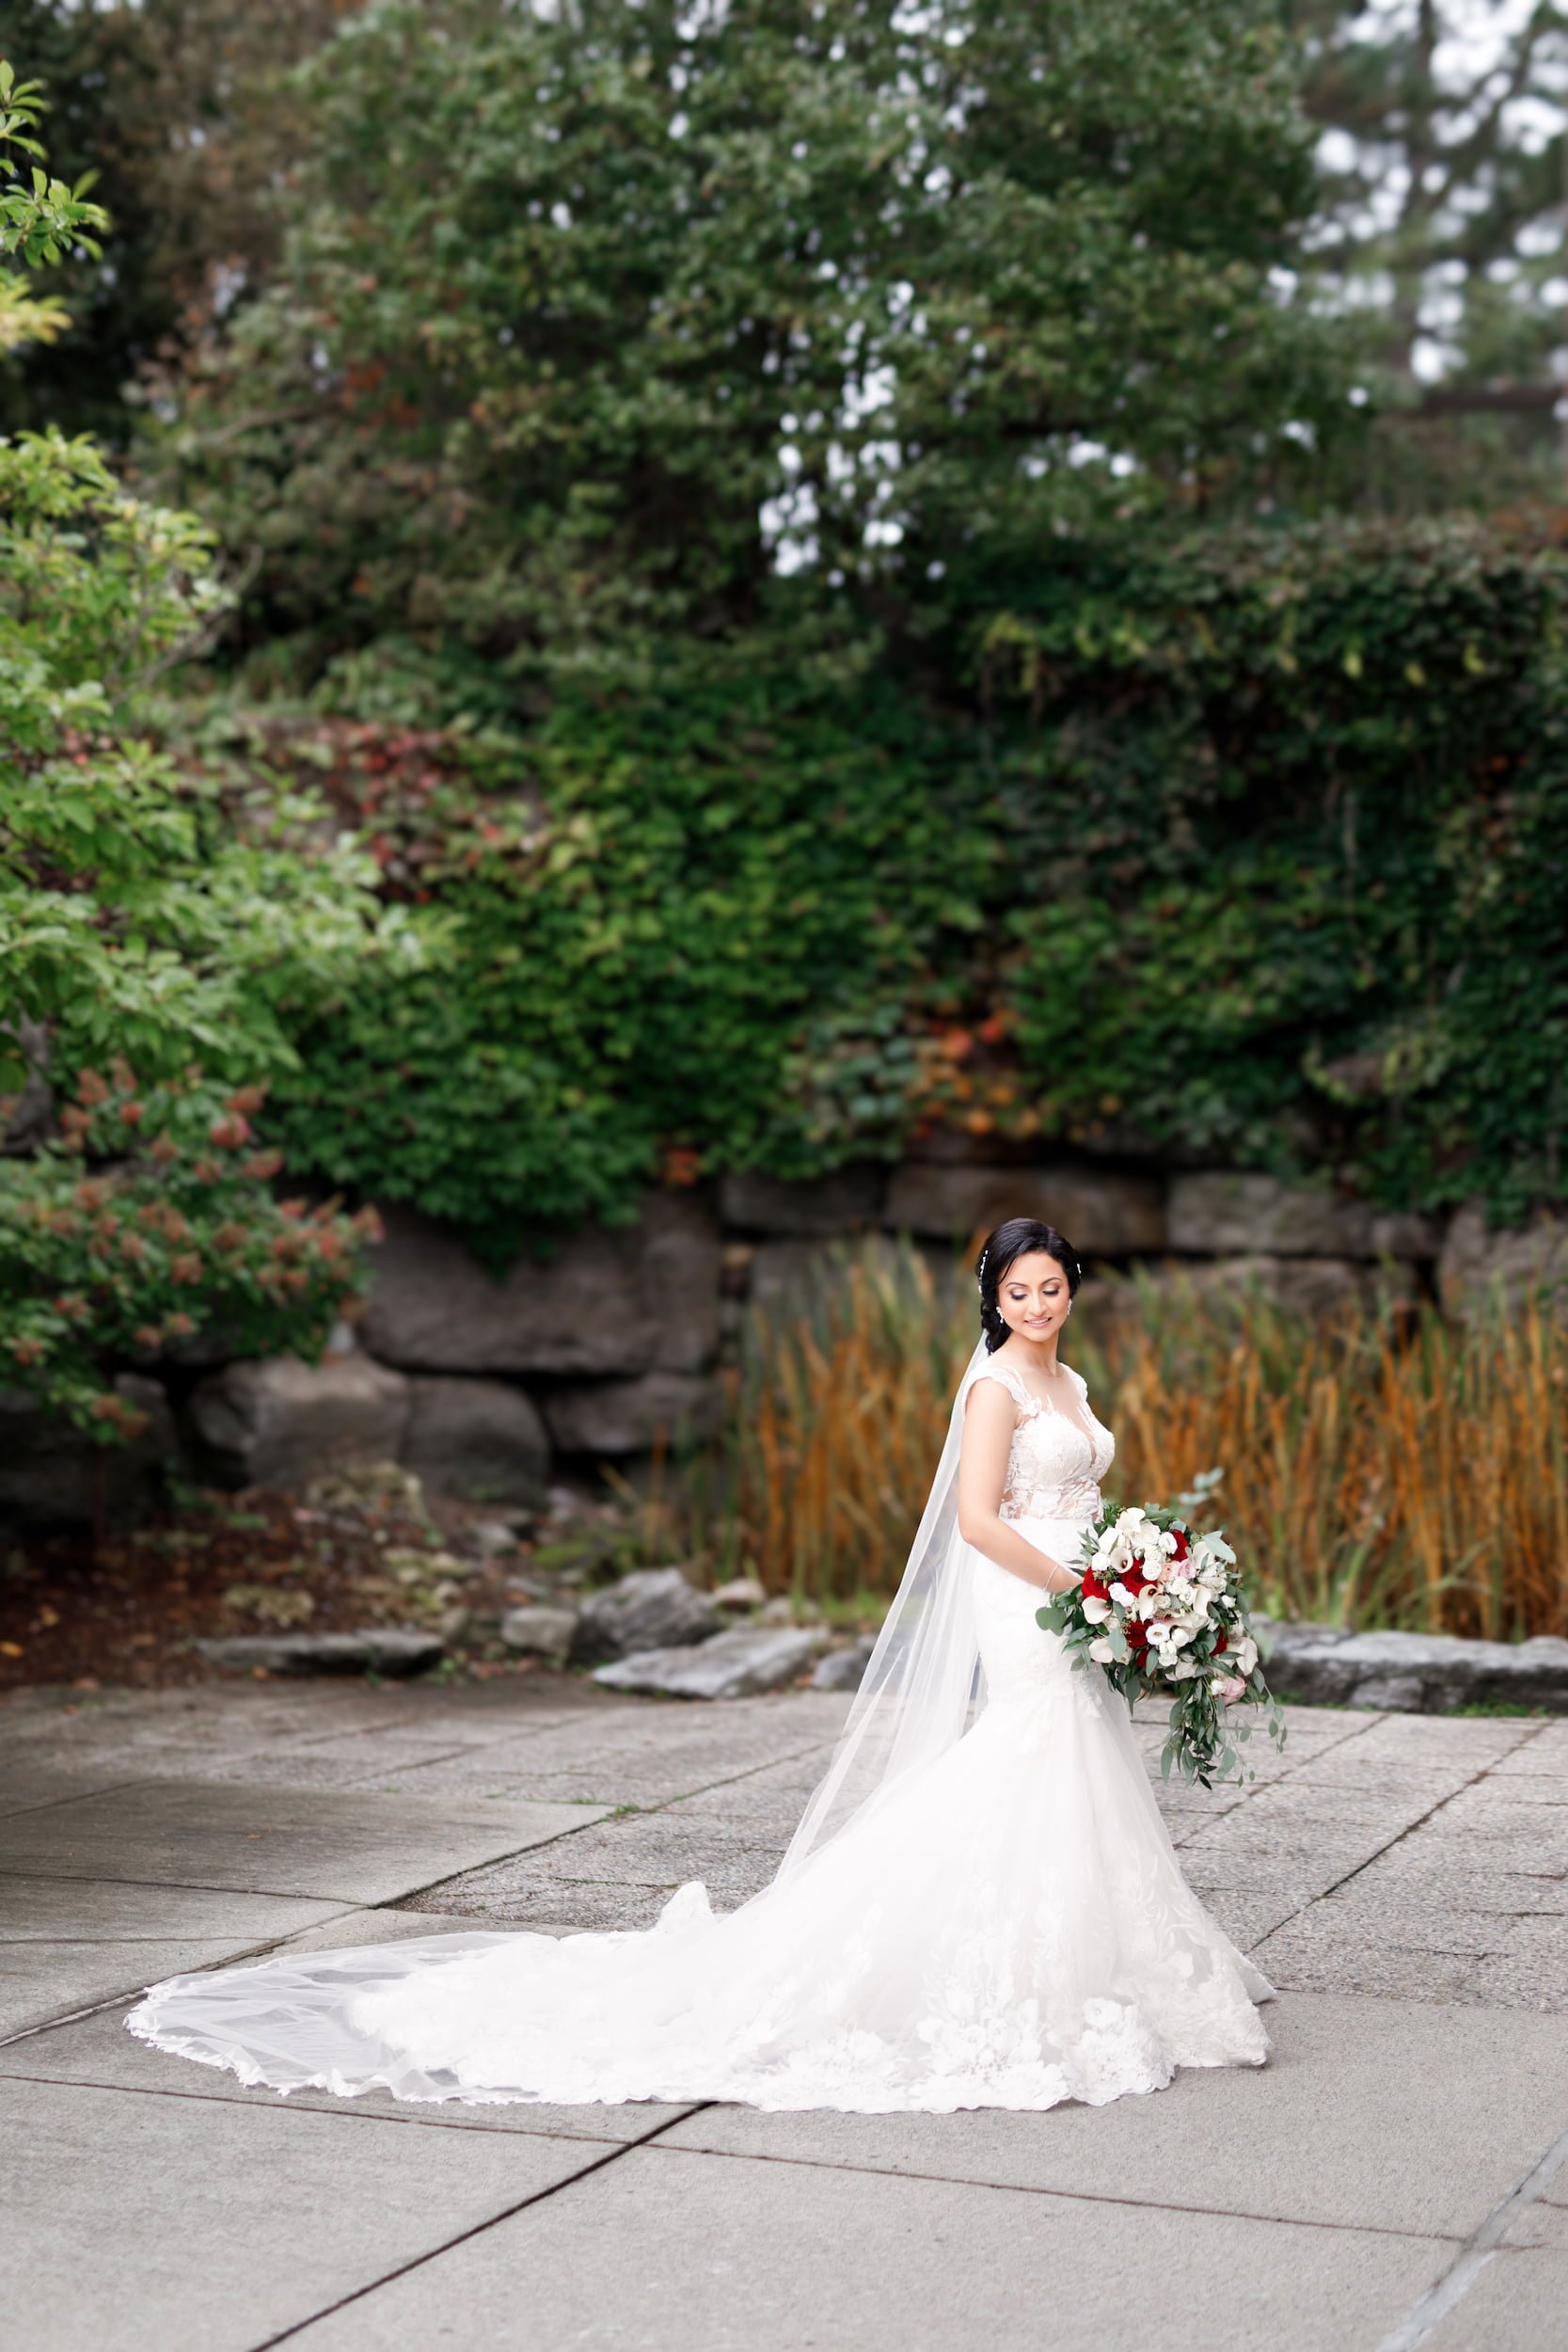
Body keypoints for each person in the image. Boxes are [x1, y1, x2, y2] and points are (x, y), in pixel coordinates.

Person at [128, 1216, 1271, 2114]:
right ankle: (987, 1964)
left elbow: (1079, 1491)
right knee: (1027, 1755)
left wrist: (1141, 1574)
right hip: (1021, 1594)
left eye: (1049, 1285)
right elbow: (975, 1520)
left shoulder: (1068, 1385)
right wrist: (1084, 1587)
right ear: (993, 1299)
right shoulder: (994, 1386)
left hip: (1078, 1588)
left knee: (1074, 1760)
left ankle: (1101, 1958)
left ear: (1071, 1288)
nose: (1034, 1303)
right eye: (1015, 1290)